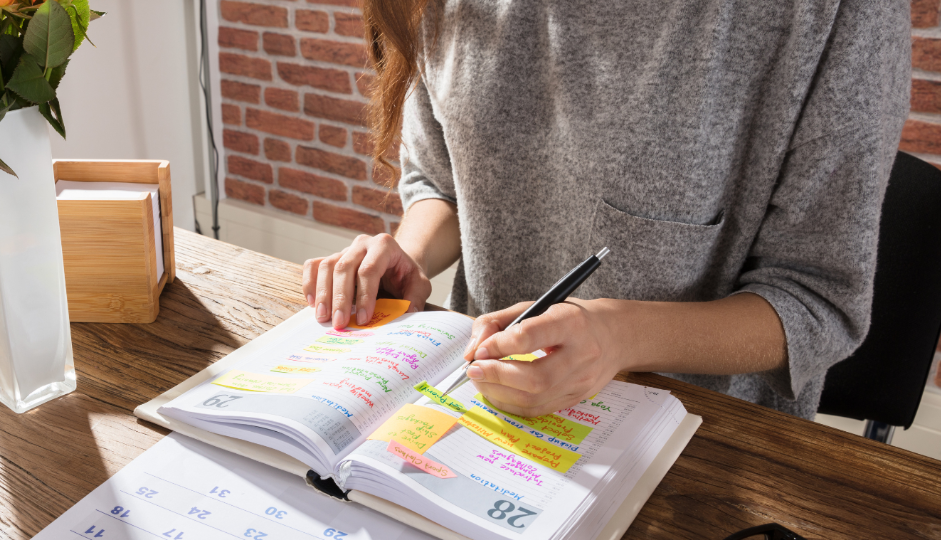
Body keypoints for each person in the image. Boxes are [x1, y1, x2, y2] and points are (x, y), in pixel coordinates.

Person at [301, 0, 911, 419]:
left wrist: (616, 338)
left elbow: (817, 300)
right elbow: (444, 182)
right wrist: (410, 255)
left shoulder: (837, 14)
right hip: (478, 407)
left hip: (698, 447)